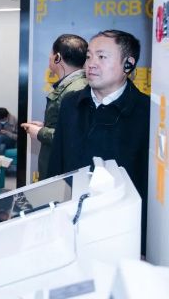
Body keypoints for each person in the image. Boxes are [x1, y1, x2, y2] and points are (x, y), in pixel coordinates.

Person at [49, 30, 149, 253]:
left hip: (120, 233)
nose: (91, 64)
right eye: (89, 56)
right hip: (70, 225)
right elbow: (57, 164)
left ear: (128, 64)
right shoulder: (71, 104)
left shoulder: (146, 113)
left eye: (102, 57)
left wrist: (142, 244)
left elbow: (145, 184)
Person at [21, 34, 88, 180]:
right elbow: (69, 125)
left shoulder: (75, 89)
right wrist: (46, 125)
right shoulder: (73, 85)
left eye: (51, 54)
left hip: (62, 170)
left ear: (57, 57)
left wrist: (40, 132)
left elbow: (73, 135)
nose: (49, 58)